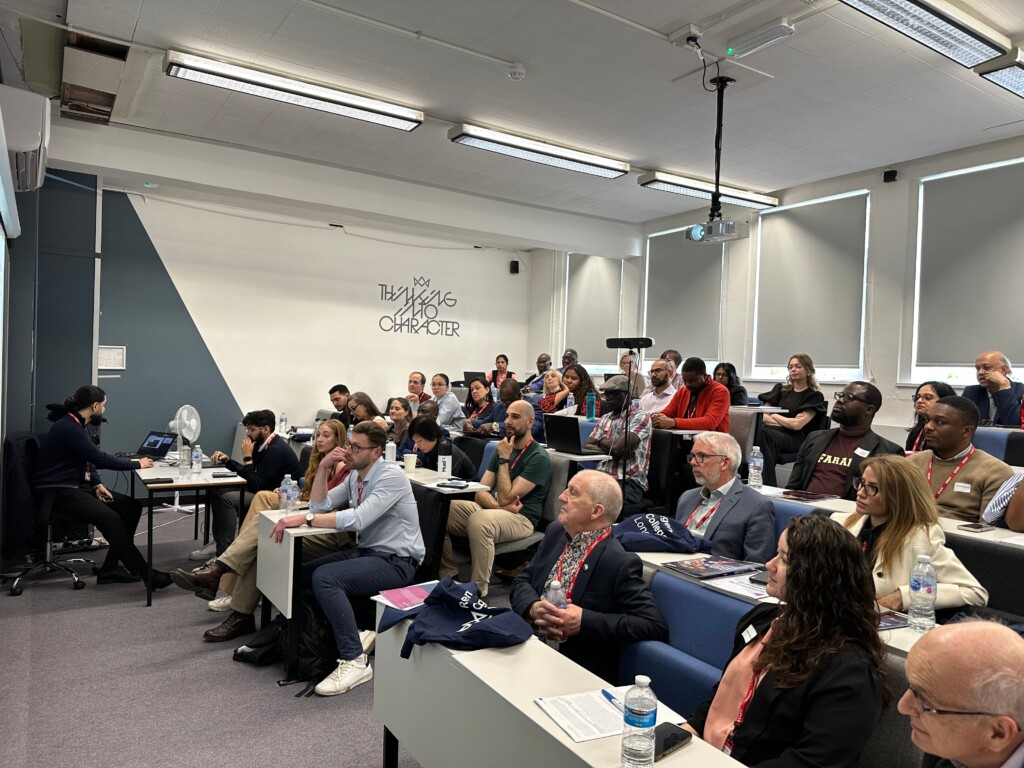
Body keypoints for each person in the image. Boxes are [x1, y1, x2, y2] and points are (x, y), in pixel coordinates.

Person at [684, 515, 886, 767]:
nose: (769, 564)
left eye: (785, 559)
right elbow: (726, 695)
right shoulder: (762, 619)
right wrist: (687, 730)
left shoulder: (848, 669)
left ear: (819, 575)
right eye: (776, 553)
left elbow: (815, 761)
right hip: (710, 755)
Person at [271, 422, 425, 697]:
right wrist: (322, 467)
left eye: (356, 447)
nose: (348, 451)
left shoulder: (390, 476)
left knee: (326, 578)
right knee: (301, 573)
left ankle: (355, 660)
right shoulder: (355, 476)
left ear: (376, 452)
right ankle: (306, 639)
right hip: (370, 553)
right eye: (349, 445)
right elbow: (320, 504)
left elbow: (357, 519)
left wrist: (307, 518)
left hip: (398, 561)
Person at [170, 420, 353, 639]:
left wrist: (248, 458)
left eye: (326, 436)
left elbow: (323, 505)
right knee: (263, 507)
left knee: (262, 529)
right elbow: (313, 497)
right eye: (319, 435)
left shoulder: (337, 466)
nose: (320, 440)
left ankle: (220, 575)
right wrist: (293, 493)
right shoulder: (319, 460)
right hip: (316, 513)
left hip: (330, 528)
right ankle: (235, 605)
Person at [509, 470, 667, 683]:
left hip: (575, 669)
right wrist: (534, 607)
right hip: (529, 645)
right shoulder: (556, 532)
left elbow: (653, 625)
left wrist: (583, 620)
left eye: (573, 492)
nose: (561, 496)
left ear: (596, 511)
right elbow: (522, 580)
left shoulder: (619, 562)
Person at [33, 385, 172, 589]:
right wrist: (137, 463)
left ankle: (110, 569)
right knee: (110, 518)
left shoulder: (78, 424)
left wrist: (96, 483)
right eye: (104, 405)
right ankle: (146, 574)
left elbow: (87, 460)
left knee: (131, 507)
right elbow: (99, 458)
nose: (105, 410)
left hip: (76, 486)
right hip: (59, 491)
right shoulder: (70, 428)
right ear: (95, 406)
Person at [832, 455, 987, 612]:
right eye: (861, 483)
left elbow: (974, 592)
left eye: (872, 488)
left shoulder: (922, 537)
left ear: (898, 496)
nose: (860, 492)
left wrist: (903, 597)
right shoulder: (840, 523)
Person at [439, 401, 551, 597]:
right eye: (507, 416)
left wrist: (504, 460)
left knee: (480, 520)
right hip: (499, 511)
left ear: (530, 422)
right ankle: (449, 574)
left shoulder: (538, 457)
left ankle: (479, 591)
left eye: (515, 417)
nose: (508, 421)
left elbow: (507, 496)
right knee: (442, 507)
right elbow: (481, 492)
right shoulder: (503, 448)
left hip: (522, 518)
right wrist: (501, 507)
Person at [897, 621, 1024, 768]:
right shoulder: (946, 754)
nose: (902, 706)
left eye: (924, 701)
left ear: (997, 733)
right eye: (911, 686)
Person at [201, 409, 300, 559]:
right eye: (247, 429)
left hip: (276, 497)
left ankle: (225, 552)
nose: (247, 433)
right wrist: (229, 462)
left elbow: (256, 485)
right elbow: (251, 475)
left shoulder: (276, 450)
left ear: (265, 429)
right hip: (262, 489)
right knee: (216, 489)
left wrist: (247, 456)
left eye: (251, 429)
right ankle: (219, 542)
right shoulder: (261, 444)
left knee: (227, 499)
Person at [785, 381, 903, 500]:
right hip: (804, 508)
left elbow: (888, 501)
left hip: (847, 510)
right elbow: (792, 487)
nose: (840, 400)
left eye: (849, 397)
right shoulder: (814, 438)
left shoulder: (888, 452)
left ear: (868, 409)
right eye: (840, 395)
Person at [908, 396, 1015, 522]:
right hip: (909, 530)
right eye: (927, 420)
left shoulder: (996, 472)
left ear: (966, 431)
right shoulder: (911, 463)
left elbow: (987, 528)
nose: (928, 427)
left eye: (940, 422)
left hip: (956, 534)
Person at [674, 432, 776, 564]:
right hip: (673, 567)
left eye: (701, 456)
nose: (693, 462)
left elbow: (755, 565)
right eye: (693, 456)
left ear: (724, 463)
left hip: (714, 574)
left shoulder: (757, 506)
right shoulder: (687, 497)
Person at [757, 354, 827, 487]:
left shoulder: (814, 396)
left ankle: (766, 485)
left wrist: (775, 415)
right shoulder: (780, 390)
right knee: (754, 434)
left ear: (808, 370)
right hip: (773, 433)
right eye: (790, 367)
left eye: (798, 366)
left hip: (795, 438)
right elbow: (763, 416)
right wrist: (787, 421)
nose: (793, 369)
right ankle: (747, 482)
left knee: (764, 435)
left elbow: (797, 425)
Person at [583, 375, 652, 505]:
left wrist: (600, 441)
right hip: (601, 477)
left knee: (591, 499)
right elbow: (587, 446)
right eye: (606, 394)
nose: (608, 398)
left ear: (627, 394)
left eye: (613, 394)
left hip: (628, 483)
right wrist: (610, 445)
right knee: (574, 488)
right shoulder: (605, 418)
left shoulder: (640, 417)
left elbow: (617, 448)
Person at [650, 357, 730, 433]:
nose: (688, 384)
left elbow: (710, 423)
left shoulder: (720, 391)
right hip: (684, 439)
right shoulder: (683, 391)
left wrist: (674, 422)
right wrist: (658, 419)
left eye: (692, 380)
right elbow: (667, 413)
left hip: (712, 439)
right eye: (685, 380)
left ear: (705, 376)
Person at [961, 350, 1024, 427]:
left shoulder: (1021, 391)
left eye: (987, 368)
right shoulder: (971, 392)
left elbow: (1015, 423)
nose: (980, 372)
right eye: (978, 369)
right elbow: (960, 422)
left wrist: (1004, 388)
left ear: (1003, 370)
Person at [407, 416, 476, 479]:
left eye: (419, 441)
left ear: (432, 435)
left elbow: (447, 481)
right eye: (415, 441)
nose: (418, 445)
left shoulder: (448, 452)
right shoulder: (431, 449)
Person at [906, 381, 956, 453]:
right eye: (917, 397)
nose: (919, 401)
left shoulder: (948, 433)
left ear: (944, 401)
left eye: (928, 398)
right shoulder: (916, 430)